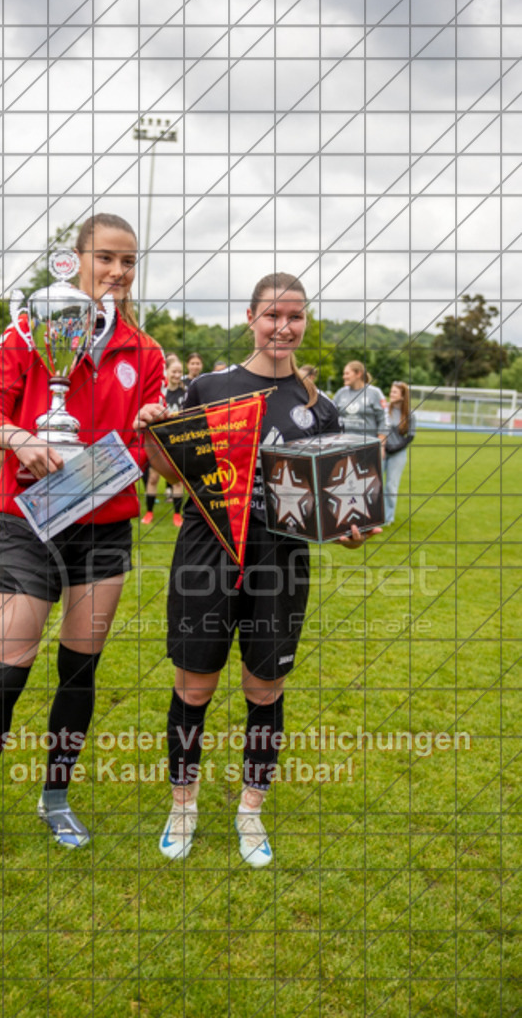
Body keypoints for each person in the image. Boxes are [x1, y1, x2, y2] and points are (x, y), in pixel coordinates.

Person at [136, 273, 381, 868]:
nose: (283, 327)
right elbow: (173, 473)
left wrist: (350, 535)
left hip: (280, 563)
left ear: (304, 323)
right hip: (206, 553)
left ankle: (251, 810)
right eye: (272, 315)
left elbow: (326, 511)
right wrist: (152, 432)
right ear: (251, 318)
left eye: (294, 317)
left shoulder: (317, 409)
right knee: (194, 686)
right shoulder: (209, 386)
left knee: (263, 688)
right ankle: (184, 804)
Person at [0, 213, 165, 871]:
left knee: (79, 671)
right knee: (5, 672)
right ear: (75, 259)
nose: (118, 272)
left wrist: (156, 430)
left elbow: (148, 453)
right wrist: (22, 439)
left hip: (104, 530)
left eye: (128, 262)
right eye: (106, 258)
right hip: (29, 522)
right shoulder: (26, 331)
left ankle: (55, 796)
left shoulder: (147, 353)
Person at [142, 358, 186, 527]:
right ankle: (149, 512)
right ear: (166, 371)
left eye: (179, 372)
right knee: (152, 478)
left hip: (177, 442)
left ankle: (177, 515)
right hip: (159, 442)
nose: (177, 375)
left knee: (177, 480)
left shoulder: (185, 393)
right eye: (173, 371)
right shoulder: (160, 392)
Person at [383, 381, 415, 525]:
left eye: (395, 392)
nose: (391, 394)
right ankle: (372, 516)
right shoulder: (384, 410)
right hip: (382, 452)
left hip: (397, 454)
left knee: (391, 485)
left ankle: (388, 517)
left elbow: (410, 436)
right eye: (391, 391)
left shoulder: (409, 415)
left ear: (403, 396)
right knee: (374, 485)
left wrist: (395, 448)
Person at [333, 361, 388, 441]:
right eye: (344, 374)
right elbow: (332, 417)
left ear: (358, 374)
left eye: (347, 373)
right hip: (344, 444)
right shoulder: (340, 393)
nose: (344, 377)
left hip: (368, 444)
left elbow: (384, 419)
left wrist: (381, 443)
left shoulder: (375, 393)